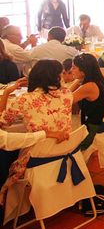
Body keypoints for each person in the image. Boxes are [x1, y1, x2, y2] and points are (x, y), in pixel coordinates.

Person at [0, 60, 72, 193]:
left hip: (37, 155)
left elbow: (2, 123)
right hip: (65, 148)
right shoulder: (67, 93)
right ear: (56, 77)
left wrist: (7, 93)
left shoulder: (24, 100)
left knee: (6, 149)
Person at [70, 53, 104, 149]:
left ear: (83, 71)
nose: (71, 70)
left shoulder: (89, 86)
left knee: (64, 143)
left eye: (74, 67)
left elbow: (65, 101)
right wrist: (78, 80)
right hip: (100, 122)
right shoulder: (98, 80)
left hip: (95, 128)